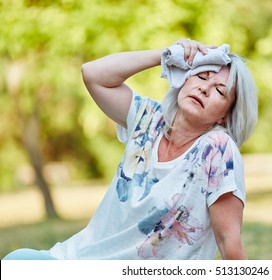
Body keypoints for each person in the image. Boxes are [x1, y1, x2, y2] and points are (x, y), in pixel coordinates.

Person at [3, 38, 258, 260]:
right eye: (201, 77)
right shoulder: (148, 119)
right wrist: (166, 55)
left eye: (219, 91)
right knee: (16, 261)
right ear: (184, 79)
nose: (204, 87)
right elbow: (93, 74)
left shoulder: (217, 150)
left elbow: (229, 241)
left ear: (225, 116)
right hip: (80, 258)